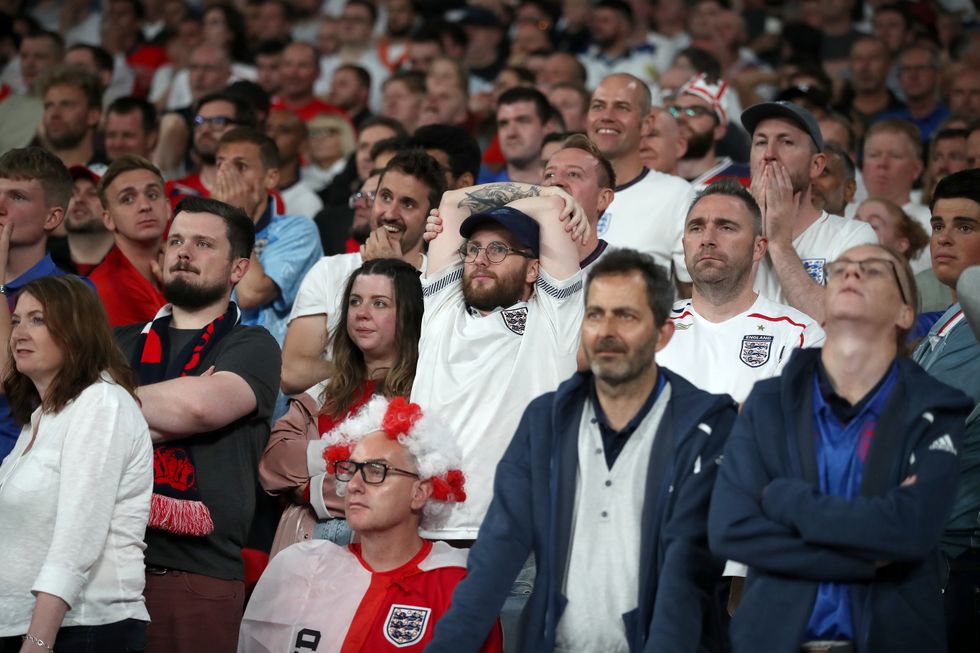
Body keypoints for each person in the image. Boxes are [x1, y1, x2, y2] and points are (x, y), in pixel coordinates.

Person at [427, 248, 737, 652]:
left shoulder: (706, 426)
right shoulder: (545, 420)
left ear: (663, 333)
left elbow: (686, 575)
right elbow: (496, 557)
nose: (606, 330)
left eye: (626, 315)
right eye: (595, 315)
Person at [709, 243, 973, 652]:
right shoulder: (767, 401)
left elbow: (912, 532)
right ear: (826, 303)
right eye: (842, 269)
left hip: (888, 637)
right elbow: (730, 528)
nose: (851, 274)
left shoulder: (938, 407)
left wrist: (787, 501)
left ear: (906, 313)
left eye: (873, 270)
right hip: (775, 636)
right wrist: (868, 546)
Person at [113, 196, 281, 653]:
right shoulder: (116, 341)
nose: (184, 252)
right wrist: (159, 408)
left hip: (194, 576)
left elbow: (198, 410)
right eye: (176, 241)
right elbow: (69, 416)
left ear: (238, 268)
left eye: (204, 243)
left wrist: (107, 408)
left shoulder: (252, 345)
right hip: (103, 569)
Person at [242, 395, 503, 652]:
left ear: (420, 492)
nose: (354, 485)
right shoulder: (301, 567)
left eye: (377, 471)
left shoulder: (458, 584)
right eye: (350, 469)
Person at [411, 179, 589, 545]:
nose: (480, 259)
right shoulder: (442, 313)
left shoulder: (553, 321)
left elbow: (553, 212)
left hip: (518, 539)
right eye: (473, 248)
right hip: (428, 533)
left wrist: (557, 199)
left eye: (498, 249)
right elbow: (450, 201)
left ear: (532, 270)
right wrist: (545, 193)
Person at [0, 275, 152, 653]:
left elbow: (77, 538)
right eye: (16, 320)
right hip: (30, 626)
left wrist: (38, 641)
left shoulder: (101, 404)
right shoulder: (42, 417)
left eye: (38, 320)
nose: (19, 332)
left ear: (77, 331)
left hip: (84, 629)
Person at [260, 258, 423, 553]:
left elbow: (399, 491)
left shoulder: (423, 394)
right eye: (355, 301)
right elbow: (272, 463)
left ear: (408, 315)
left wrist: (310, 489)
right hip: (302, 548)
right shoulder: (323, 392)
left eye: (380, 304)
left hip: (375, 554)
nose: (362, 313)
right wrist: (351, 460)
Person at [281, 149, 444, 396]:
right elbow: (292, 372)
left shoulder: (442, 280)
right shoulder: (329, 270)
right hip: (326, 420)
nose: (390, 213)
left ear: (431, 215)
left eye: (407, 204)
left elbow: (433, 368)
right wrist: (365, 372)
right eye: (385, 197)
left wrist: (393, 276)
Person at [658, 179, 824, 404]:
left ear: (758, 247)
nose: (707, 239)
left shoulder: (799, 335)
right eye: (696, 228)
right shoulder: (652, 327)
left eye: (725, 227)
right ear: (684, 244)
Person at [910, 169, 980, 652]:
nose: (944, 239)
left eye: (965, 227)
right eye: (937, 226)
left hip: (958, 554)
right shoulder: (952, 320)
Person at [742, 100, 877, 322]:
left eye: (786, 142)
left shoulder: (855, 236)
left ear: (816, 165)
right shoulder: (725, 230)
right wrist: (752, 229)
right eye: (760, 142)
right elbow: (716, 315)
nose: (769, 154)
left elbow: (836, 322)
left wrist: (779, 244)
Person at [213, 128, 323, 345]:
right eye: (220, 166)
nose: (226, 177)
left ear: (270, 178)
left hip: (268, 363)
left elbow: (251, 294)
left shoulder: (298, 230)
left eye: (240, 167)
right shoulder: (202, 234)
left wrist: (235, 216)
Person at [0, 147, 75, 462]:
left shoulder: (71, 293)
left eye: (17, 197)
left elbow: (8, 377)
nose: (0, 206)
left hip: (16, 475)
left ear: (52, 217)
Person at [587, 73, 694, 284]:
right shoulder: (564, 189)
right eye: (598, 106)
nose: (607, 116)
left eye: (622, 107)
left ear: (646, 124)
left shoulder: (676, 194)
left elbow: (691, 291)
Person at [88, 155, 168, 326]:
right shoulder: (105, 287)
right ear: (108, 219)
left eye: (153, 195)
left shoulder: (187, 268)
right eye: (128, 199)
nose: (145, 206)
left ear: (168, 208)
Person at [671, 73, 751, 189]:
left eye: (695, 111)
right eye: (675, 110)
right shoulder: (652, 177)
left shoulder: (747, 180)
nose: (680, 118)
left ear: (719, 130)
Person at [478, 87, 556, 185]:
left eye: (522, 121)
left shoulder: (564, 187)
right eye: (504, 123)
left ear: (548, 127)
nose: (511, 133)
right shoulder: (476, 181)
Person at [46, 165, 114, 276]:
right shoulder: (42, 262)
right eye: (72, 193)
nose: (79, 199)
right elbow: (6, 290)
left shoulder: (134, 262)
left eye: (92, 193)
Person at [811, 142, 857, 218]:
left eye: (823, 173)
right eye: (806, 173)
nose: (811, 181)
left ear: (849, 189)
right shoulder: (785, 228)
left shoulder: (860, 229)